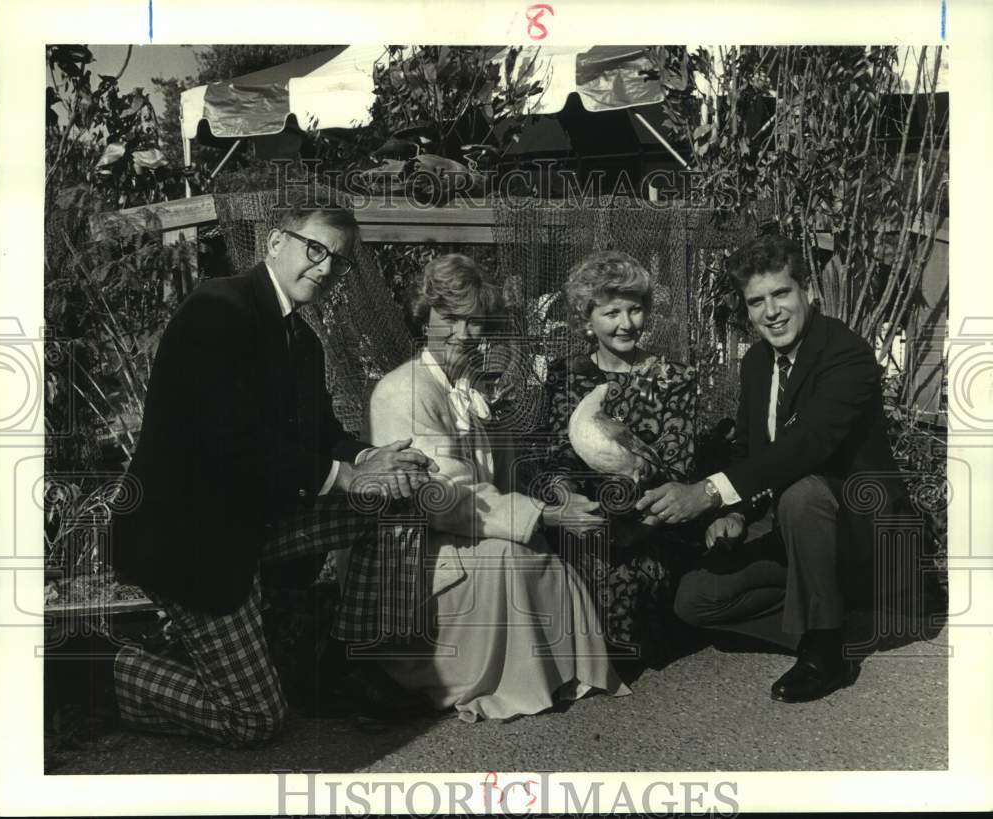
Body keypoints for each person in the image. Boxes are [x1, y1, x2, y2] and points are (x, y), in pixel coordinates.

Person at [110, 200, 436, 746]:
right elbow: (227, 442)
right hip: (192, 543)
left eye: (339, 260)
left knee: (396, 497)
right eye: (316, 249)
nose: (327, 267)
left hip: (257, 525)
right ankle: (113, 670)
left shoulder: (302, 340)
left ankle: (343, 662)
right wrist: (342, 476)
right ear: (274, 242)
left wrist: (369, 461)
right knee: (254, 720)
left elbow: (322, 432)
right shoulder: (218, 309)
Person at [335, 253, 629, 722]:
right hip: (407, 555)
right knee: (512, 553)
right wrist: (543, 513)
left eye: (473, 322)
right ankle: (437, 674)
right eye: (449, 318)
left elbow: (507, 470)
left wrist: (556, 496)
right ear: (425, 316)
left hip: (455, 532)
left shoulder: (468, 385)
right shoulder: (403, 391)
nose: (461, 334)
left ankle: (550, 673)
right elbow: (442, 495)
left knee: (533, 547)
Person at [635, 233, 906, 703]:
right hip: (791, 529)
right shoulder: (758, 362)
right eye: (756, 302)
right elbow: (748, 450)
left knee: (804, 492)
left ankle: (825, 650)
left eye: (781, 293)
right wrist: (737, 512)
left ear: (807, 291)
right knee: (696, 600)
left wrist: (708, 492)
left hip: (859, 534)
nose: (771, 312)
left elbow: (808, 445)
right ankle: (829, 627)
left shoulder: (847, 354)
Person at [540, 250, 700, 667]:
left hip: (651, 520)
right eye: (611, 312)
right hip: (583, 518)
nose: (626, 323)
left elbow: (678, 465)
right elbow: (555, 456)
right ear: (586, 319)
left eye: (635, 309)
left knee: (626, 579)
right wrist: (566, 505)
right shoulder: (566, 375)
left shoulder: (674, 378)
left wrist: (638, 530)